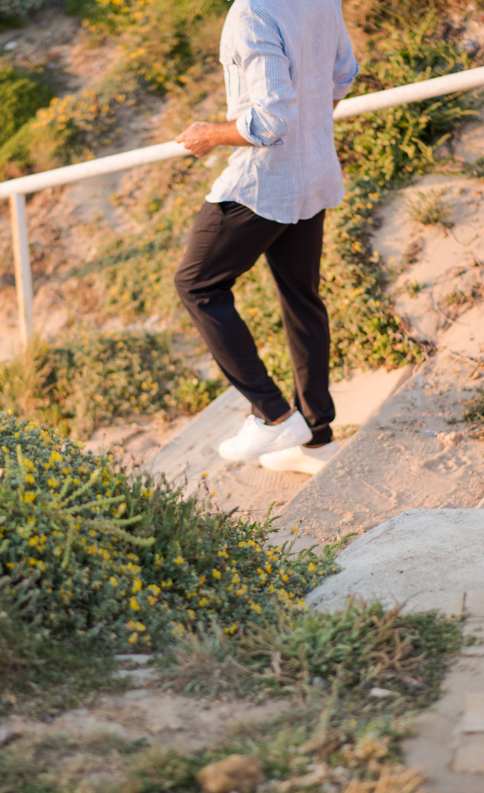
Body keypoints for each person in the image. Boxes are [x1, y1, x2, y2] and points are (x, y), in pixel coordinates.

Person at [171, 0, 358, 476]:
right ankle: (315, 440)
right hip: (312, 172)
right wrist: (310, 134)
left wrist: (209, 134)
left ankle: (272, 414)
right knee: (302, 300)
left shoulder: (252, 13)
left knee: (196, 285)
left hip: (262, 186)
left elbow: (271, 121)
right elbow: (344, 74)